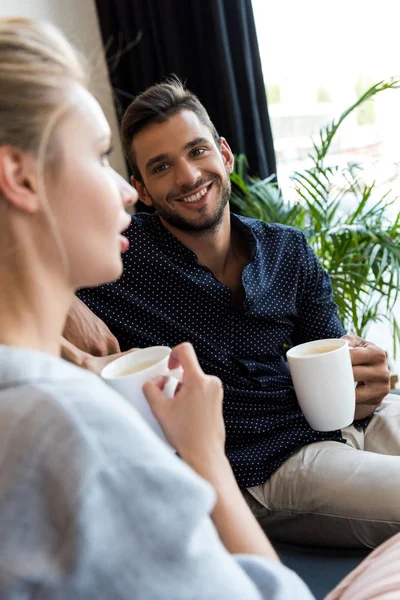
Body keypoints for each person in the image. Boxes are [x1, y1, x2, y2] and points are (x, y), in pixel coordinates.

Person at [64, 77, 400, 550]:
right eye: (162, 167)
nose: (187, 176)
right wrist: (67, 304)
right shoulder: (117, 258)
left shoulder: (288, 250)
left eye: (197, 151)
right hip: (265, 465)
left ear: (223, 153)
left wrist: (365, 371)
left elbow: (337, 361)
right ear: (140, 188)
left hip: (339, 422)